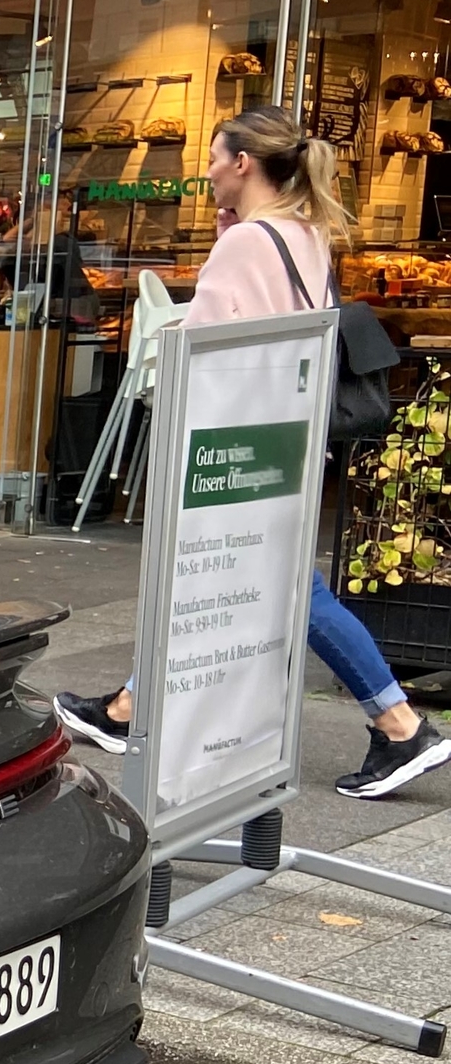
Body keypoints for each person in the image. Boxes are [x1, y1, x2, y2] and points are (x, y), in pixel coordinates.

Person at [54, 105, 448, 800]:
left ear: (242, 163)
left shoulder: (245, 246)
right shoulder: (305, 234)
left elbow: (199, 350)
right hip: (285, 438)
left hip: (234, 444)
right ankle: (129, 709)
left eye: (212, 158)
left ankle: (399, 723)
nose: (206, 172)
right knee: (227, 579)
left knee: (286, 588)